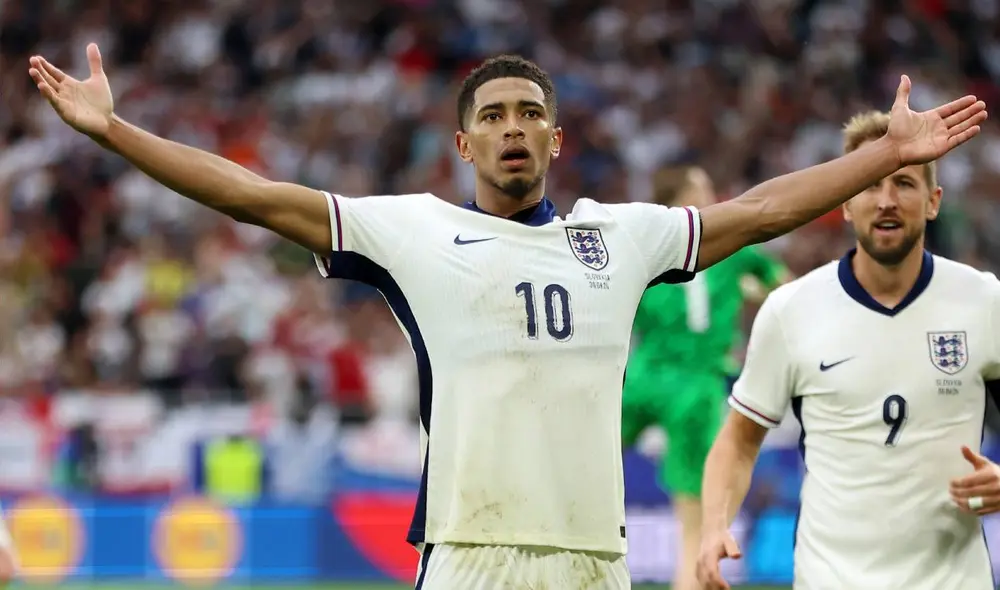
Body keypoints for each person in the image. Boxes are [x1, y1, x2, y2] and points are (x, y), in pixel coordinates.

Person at [28, 44, 986, 589]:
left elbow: (762, 210)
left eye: (530, 113)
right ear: (463, 143)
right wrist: (115, 132)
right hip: (470, 555)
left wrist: (880, 156)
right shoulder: (412, 232)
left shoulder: (623, 237)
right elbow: (250, 195)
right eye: (492, 116)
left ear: (557, 139)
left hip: (594, 557)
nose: (513, 127)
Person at [697, 110, 1000, 590]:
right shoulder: (791, 310)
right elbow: (738, 441)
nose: (886, 201)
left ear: (933, 202)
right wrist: (713, 526)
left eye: (903, 183)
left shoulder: (984, 301)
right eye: (870, 184)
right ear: (844, 202)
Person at [621, 165, 789, 590]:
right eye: (704, 188)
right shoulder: (732, 248)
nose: (714, 196)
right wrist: (751, 291)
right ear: (685, 199)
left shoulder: (640, 250)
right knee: (695, 524)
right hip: (695, 387)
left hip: (641, 378)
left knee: (577, 468)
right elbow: (788, 292)